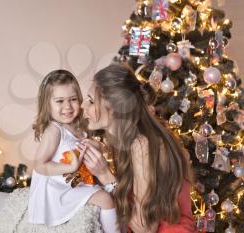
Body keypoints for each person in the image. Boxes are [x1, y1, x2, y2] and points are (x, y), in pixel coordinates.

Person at [78, 64, 196, 233]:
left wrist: (104, 174)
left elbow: (145, 227)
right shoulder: (127, 140)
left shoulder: (142, 146)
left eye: (90, 100)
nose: (83, 105)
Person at [28, 69, 120, 233]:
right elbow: (40, 165)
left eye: (73, 99)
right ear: (47, 104)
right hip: (57, 191)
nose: (68, 107)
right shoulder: (54, 130)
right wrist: (70, 167)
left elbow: (84, 149)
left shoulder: (81, 127)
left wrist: (97, 146)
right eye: (60, 101)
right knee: (105, 199)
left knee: (113, 195)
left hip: (76, 183)